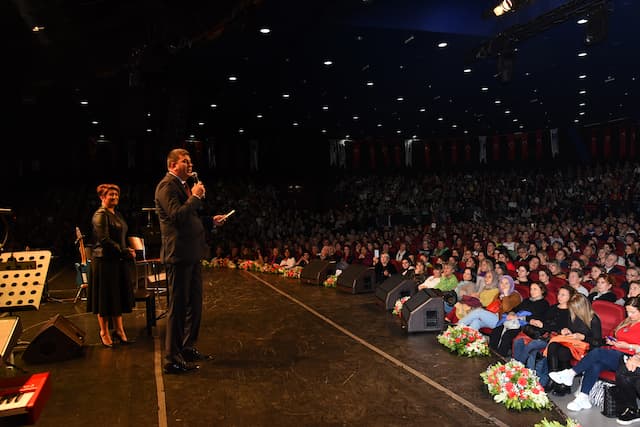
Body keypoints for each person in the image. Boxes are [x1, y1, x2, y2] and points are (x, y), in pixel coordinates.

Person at [155, 148, 228, 374]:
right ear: (172, 165)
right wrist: (195, 197)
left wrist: (210, 221)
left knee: (194, 304)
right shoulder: (167, 186)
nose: (189, 164)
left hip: (192, 253)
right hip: (179, 255)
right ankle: (171, 358)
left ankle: (187, 347)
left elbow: (190, 218)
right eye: (184, 161)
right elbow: (177, 216)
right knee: (177, 306)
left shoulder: (183, 186)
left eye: (190, 161)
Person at [550, 297, 640, 411]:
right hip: (615, 352)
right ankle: (583, 397)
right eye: (627, 311)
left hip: (630, 359)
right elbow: (616, 337)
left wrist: (626, 346)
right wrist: (613, 341)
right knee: (595, 364)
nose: (629, 315)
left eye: (633, 312)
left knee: (597, 352)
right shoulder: (627, 322)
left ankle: (570, 374)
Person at [87, 183, 135, 348]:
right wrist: (123, 252)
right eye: (110, 195)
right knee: (105, 299)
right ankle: (104, 332)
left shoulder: (116, 214)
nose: (114, 197)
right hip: (104, 262)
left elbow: (120, 237)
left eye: (116, 194)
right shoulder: (100, 215)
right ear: (102, 197)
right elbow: (104, 240)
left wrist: (126, 250)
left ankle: (120, 330)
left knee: (116, 297)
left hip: (116, 262)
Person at [489, 281, 550, 357]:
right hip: (516, 321)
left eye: (535, 289)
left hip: (526, 325)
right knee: (497, 330)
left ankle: (500, 357)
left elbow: (537, 317)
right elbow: (516, 309)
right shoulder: (527, 300)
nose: (532, 291)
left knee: (507, 335)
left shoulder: (544, 303)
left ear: (542, 291)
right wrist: (512, 313)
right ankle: (491, 353)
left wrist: (518, 317)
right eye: (531, 289)